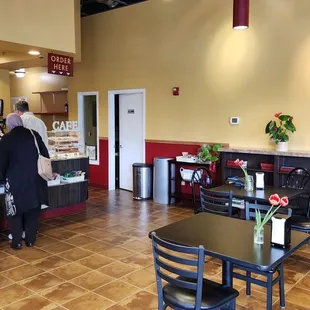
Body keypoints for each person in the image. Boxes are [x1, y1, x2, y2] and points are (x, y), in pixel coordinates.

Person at [0, 113, 49, 249]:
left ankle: (16, 242)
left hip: (16, 181)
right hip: (35, 179)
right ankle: (30, 240)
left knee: (15, 212)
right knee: (33, 211)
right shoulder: (33, 135)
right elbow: (45, 154)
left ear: (9, 124)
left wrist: (2, 178)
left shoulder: (6, 139)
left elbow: (2, 163)